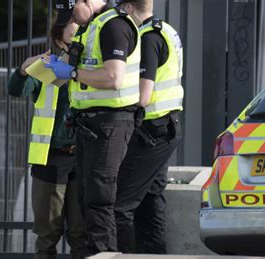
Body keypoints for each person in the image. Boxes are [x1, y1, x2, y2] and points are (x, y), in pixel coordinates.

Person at [46, 0, 141, 256]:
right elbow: (61, 76)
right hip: (90, 124)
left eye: (72, 11)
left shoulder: (113, 25)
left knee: (99, 200)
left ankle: (104, 254)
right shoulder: (91, 27)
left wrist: (73, 73)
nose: (72, 19)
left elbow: (113, 78)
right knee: (87, 200)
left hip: (110, 122)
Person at [7, 21, 84, 259]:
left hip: (85, 158)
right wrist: (22, 70)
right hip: (51, 158)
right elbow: (16, 89)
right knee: (47, 235)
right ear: (60, 42)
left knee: (81, 235)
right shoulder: (48, 67)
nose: (78, 44)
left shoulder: (94, 68)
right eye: (72, 39)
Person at [114, 0, 184, 254]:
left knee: (119, 205)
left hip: (152, 131)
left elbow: (143, 95)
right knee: (150, 201)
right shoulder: (166, 30)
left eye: (121, 10)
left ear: (130, 8)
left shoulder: (146, 38)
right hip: (166, 126)